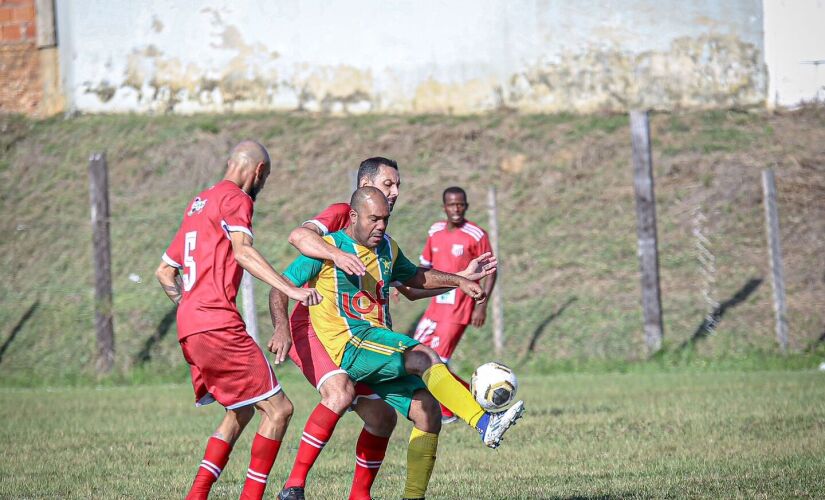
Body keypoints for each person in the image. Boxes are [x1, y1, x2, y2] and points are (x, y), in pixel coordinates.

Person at [270, 187, 524, 500]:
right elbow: (279, 286)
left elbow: (415, 279)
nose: (380, 225)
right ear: (352, 217)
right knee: (424, 356)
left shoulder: (388, 247)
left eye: (385, 219)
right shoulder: (328, 248)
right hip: (352, 344)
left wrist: (460, 280)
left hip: (377, 342)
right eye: (373, 219)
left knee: (427, 410)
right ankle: (484, 422)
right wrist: (282, 327)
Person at [154, 140, 322, 500]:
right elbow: (242, 251)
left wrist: (190, 304)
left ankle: (196, 494)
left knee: (242, 409)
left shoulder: (199, 204)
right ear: (258, 172)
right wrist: (290, 290)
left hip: (190, 325)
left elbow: (165, 272)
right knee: (279, 409)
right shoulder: (237, 199)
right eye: (266, 178)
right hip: (216, 323)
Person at [407, 186, 497, 423]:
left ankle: (447, 412)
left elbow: (490, 271)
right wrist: (403, 286)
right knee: (416, 355)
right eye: (452, 204)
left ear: (466, 206)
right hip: (434, 306)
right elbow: (424, 265)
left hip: (459, 308)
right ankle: (474, 397)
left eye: (461, 204)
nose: (456, 209)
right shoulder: (435, 230)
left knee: (437, 359)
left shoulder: (476, 234)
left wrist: (482, 305)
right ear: (444, 206)